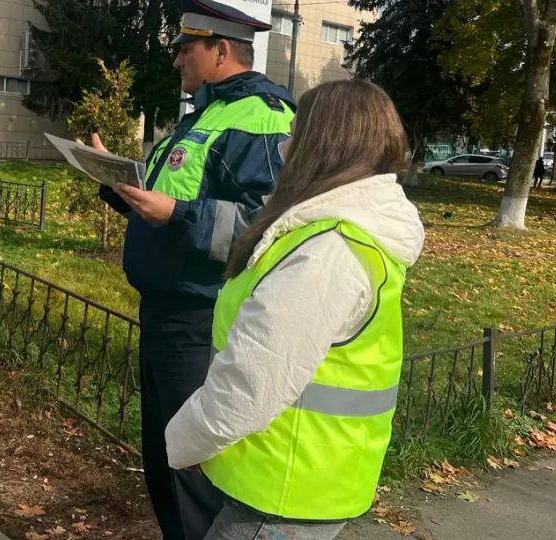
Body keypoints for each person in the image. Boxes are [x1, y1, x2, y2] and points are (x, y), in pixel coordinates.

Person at [165, 80, 425, 540]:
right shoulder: (329, 232)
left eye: (294, 135)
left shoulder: (328, 251)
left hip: (281, 496)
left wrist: (181, 441)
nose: (283, 149)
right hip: (298, 478)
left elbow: (252, 383)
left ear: (322, 147)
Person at [94, 1, 295, 538]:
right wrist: (121, 184)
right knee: (165, 457)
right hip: (164, 309)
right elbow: (173, 203)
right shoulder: (203, 114)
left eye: (188, 49)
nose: (178, 60)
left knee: (193, 467)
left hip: (201, 317)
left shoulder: (264, 116)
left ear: (221, 50)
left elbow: (266, 221)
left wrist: (178, 213)